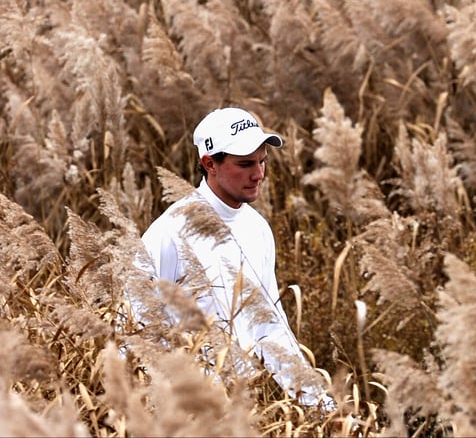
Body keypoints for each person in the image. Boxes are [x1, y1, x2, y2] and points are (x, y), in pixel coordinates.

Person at [138, 107, 336, 412]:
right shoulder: (170, 230)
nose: (257, 174)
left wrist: (322, 407)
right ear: (209, 163)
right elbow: (137, 325)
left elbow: (269, 327)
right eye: (244, 164)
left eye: (262, 162)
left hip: (243, 409)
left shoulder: (257, 229)